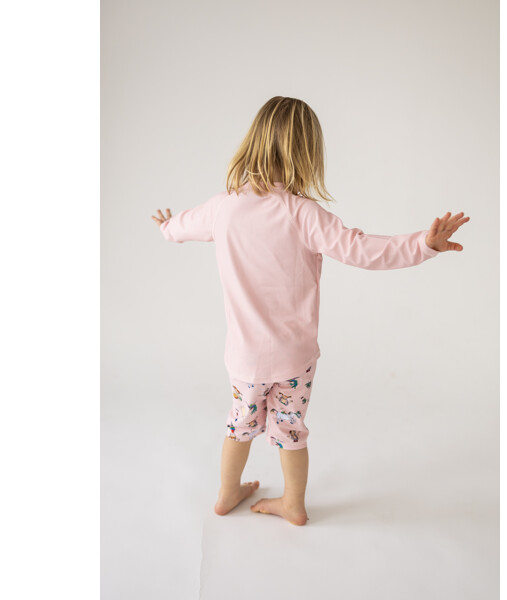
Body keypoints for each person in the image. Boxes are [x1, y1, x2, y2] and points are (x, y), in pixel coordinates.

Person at [151, 96, 470, 526]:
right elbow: (363, 250)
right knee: (290, 430)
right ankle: (293, 504)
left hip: (244, 359)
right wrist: (423, 245)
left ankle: (227, 494)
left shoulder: (222, 207)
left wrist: (167, 226)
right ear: (307, 154)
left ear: (253, 143)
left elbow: (182, 227)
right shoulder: (303, 214)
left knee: (239, 424)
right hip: (294, 359)